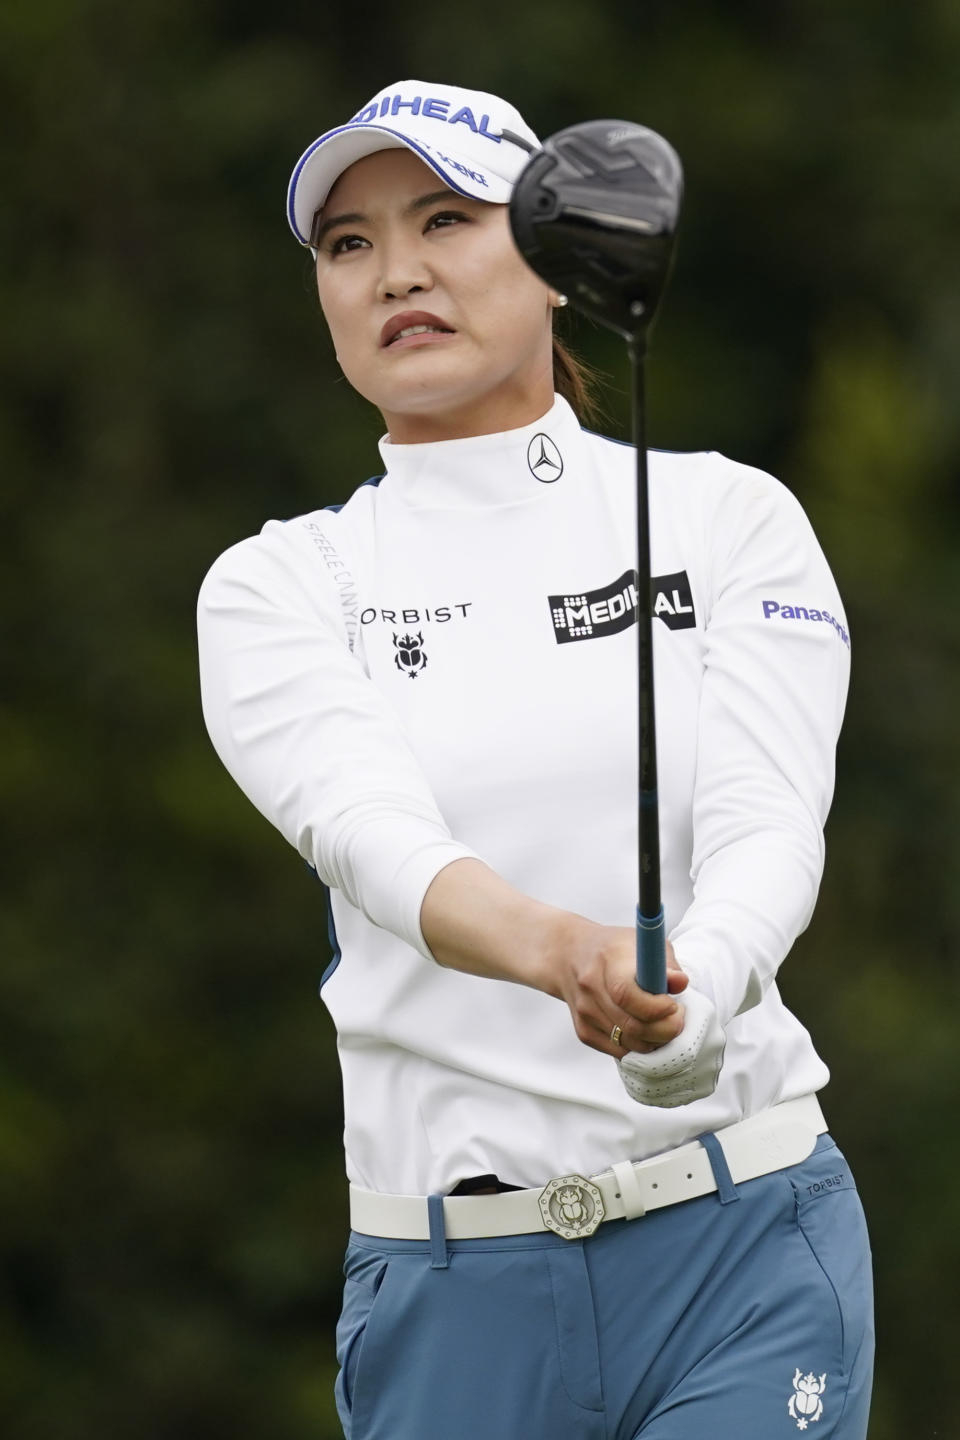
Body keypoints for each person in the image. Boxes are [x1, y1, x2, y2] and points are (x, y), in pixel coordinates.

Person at [197, 79, 874, 1440]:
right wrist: (570, 955)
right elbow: (378, 842)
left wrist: (704, 987)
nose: (396, 269)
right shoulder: (281, 583)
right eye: (347, 243)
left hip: (746, 1247)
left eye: (445, 217)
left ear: (560, 261)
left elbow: (767, 818)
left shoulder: (727, 516)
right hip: (454, 1289)